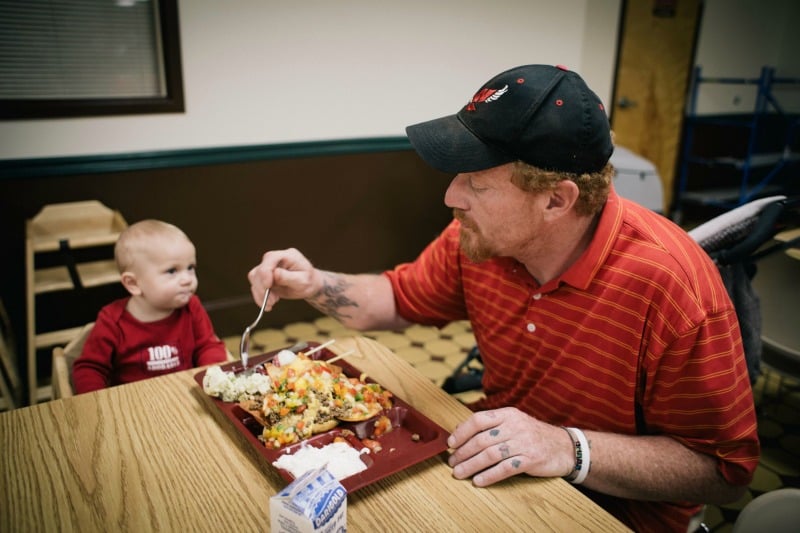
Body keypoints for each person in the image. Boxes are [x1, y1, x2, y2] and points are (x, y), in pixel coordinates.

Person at [247, 65, 760, 532]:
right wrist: (314, 284)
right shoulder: (479, 239)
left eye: (476, 182)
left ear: (556, 200)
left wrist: (567, 447)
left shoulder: (672, 285)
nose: (451, 196)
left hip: (614, 512)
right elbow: (399, 299)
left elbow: (723, 474)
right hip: (491, 462)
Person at [73, 219, 227, 393]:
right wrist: (97, 401)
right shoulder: (112, 321)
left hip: (185, 397)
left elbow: (208, 346)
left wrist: (213, 377)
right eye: (172, 271)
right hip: (134, 405)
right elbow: (90, 369)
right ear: (133, 284)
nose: (187, 279)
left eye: (190, 267)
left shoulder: (191, 307)